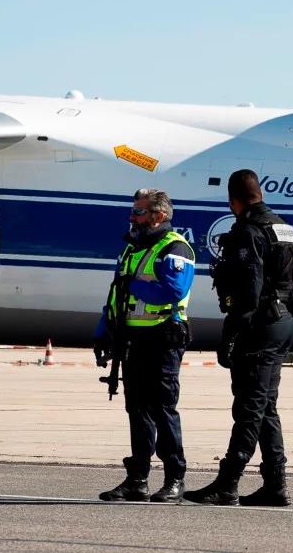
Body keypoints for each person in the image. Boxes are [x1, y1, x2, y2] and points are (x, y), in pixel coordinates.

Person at [184, 169, 293, 507]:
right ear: (260, 193)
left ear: (233, 200)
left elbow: (248, 292)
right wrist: (287, 317)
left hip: (260, 324)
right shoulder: (283, 227)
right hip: (282, 321)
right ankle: (275, 485)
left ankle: (228, 483)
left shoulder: (247, 232)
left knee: (249, 408)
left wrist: (229, 335)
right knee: (265, 406)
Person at [95, 188, 195, 503]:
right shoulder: (132, 248)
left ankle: (174, 477)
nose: (132, 217)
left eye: (139, 212)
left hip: (163, 337)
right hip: (132, 338)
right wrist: (103, 329)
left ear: (159, 215)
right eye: (133, 211)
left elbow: (173, 292)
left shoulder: (175, 248)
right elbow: (116, 293)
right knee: (136, 409)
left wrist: (134, 284)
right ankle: (137, 479)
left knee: (162, 408)